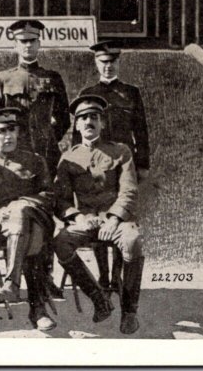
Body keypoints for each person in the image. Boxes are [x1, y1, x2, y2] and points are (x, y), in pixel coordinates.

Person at [0, 19, 70, 298]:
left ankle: (45, 278)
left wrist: (47, 139)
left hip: (45, 155)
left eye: (32, 41)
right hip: (15, 158)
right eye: (23, 41)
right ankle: (16, 276)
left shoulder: (52, 77)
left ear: (39, 44)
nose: (28, 46)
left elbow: (64, 119)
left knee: (44, 216)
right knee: (18, 214)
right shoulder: (4, 78)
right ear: (15, 44)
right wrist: (5, 152)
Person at [53, 95, 145, 334]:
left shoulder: (120, 152)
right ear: (77, 125)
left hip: (116, 221)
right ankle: (99, 299)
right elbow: (61, 199)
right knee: (61, 242)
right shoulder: (68, 157)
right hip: (86, 221)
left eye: (94, 117)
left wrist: (114, 218)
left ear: (102, 123)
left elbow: (129, 191)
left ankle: (129, 311)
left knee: (132, 241)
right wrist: (77, 218)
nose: (88, 122)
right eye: (83, 118)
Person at [75, 40, 150, 293]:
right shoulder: (88, 93)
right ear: (96, 63)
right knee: (97, 212)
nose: (108, 67)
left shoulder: (130, 93)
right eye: (103, 62)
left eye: (112, 62)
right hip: (96, 165)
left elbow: (141, 131)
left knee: (120, 215)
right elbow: (79, 135)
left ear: (118, 62)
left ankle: (117, 275)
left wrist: (143, 165)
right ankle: (103, 275)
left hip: (123, 163)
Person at [0, 107, 57, 330]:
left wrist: (22, 204)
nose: (8, 136)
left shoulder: (35, 161)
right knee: (32, 237)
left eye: (12, 130)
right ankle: (37, 310)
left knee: (25, 218)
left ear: (19, 132)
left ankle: (11, 282)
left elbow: (49, 196)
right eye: (2, 131)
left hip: (36, 217)